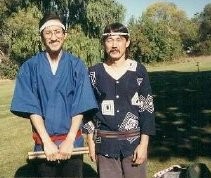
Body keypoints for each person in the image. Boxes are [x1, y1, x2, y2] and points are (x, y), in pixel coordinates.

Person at [10, 12, 98, 178]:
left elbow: (81, 104)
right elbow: (31, 107)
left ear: (65, 35)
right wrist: (47, 142)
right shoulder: (30, 67)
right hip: (44, 144)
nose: (53, 37)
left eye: (58, 32)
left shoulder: (77, 66)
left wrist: (70, 139)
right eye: (48, 33)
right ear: (42, 37)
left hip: (72, 144)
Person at [83, 22, 155, 178]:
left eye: (119, 39)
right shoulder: (94, 73)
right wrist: (90, 141)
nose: (114, 45)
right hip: (105, 146)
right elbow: (88, 110)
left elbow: (147, 108)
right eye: (109, 40)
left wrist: (144, 145)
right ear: (103, 43)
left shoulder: (138, 70)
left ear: (127, 42)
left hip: (133, 145)